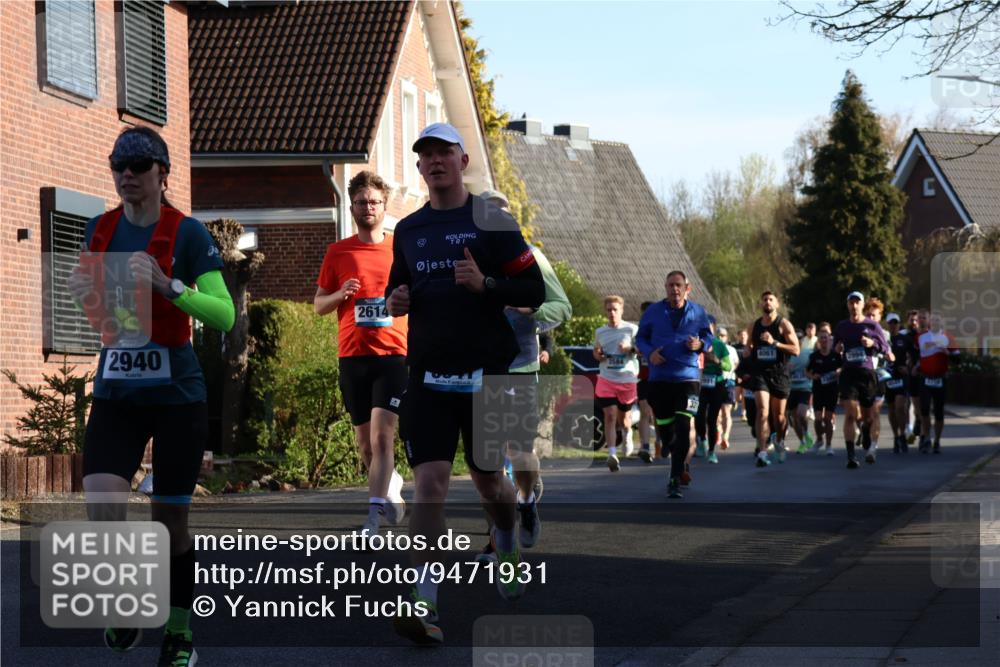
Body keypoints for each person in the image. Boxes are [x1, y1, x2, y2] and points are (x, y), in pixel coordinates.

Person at [68, 127, 235, 666]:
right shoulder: (100, 229)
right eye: (119, 165)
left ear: (163, 174)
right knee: (102, 509)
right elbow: (103, 320)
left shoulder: (186, 233)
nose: (127, 174)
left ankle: (179, 632)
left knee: (170, 525)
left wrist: (170, 287)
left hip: (176, 398)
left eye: (139, 165)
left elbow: (224, 314)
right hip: (117, 392)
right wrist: (84, 294)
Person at [385, 123, 545, 644]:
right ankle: (424, 601)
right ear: (419, 166)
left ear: (462, 160)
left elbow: (534, 289)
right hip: (428, 376)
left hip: (486, 375)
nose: (435, 161)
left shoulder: (492, 221)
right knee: (429, 487)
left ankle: (506, 539)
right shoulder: (409, 229)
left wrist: (487, 284)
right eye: (426, 154)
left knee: (489, 484)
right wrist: (395, 300)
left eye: (444, 153)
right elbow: (397, 286)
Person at [315, 170, 408, 537]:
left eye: (374, 201)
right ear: (352, 207)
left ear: (384, 206)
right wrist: (341, 295)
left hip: (394, 355)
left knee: (383, 438)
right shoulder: (338, 252)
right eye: (361, 202)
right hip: (353, 357)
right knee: (366, 447)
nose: (368, 207)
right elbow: (319, 305)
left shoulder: (400, 249)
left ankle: (372, 520)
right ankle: (390, 484)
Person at [479, 187, 571, 554]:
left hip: (520, 366)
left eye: (501, 215)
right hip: (480, 369)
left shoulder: (530, 256)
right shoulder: (466, 258)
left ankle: (527, 499)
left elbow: (562, 307)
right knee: (488, 462)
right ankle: (495, 540)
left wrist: (533, 310)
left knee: (520, 452)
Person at [635, 271, 712, 499]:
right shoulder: (653, 311)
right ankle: (673, 450)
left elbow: (708, 338)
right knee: (666, 430)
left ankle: (674, 479)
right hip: (660, 378)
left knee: (684, 426)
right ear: (666, 287)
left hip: (688, 378)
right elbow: (640, 338)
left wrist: (700, 344)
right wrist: (650, 353)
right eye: (670, 285)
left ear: (687, 288)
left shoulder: (698, 312)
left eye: (678, 285)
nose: (674, 289)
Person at [833, 291, 890, 468]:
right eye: (851, 302)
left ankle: (865, 430)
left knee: (869, 417)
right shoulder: (842, 326)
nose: (854, 305)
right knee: (850, 414)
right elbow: (836, 347)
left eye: (857, 302)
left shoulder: (872, 325)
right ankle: (851, 456)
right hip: (849, 373)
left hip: (867, 374)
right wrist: (838, 348)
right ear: (848, 305)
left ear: (862, 305)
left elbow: (885, 348)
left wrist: (873, 344)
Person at [745, 292, 800, 466]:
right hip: (760, 374)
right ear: (761, 304)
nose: (767, 302)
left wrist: (775, 343)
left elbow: (796, 350)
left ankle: (780, 440)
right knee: (762, 411)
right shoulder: (754, 326)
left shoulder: (783, 324)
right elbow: (748, 346)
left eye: (771, 300)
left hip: (779, 374)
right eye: (764, 300)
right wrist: (747, 351)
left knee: (779, 416)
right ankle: (762, 452)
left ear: (777, 304)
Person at [593, 296, 640, 471]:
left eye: (615, 309)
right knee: (610, 415)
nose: (612, 313)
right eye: (609, 310)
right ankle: (611, 454)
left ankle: (627, 433)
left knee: (625, 419)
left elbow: (642, 350)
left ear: (621, 310)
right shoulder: (600, 332)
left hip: (627, 380)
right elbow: (596, 350)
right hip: (606, 378)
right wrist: (598, 355)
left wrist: (629, 349)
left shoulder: (632, 329)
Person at [916, 310, 958, 454]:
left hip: (940, 379)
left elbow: (958, 359)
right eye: (933, 320)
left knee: (939, 412)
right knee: (924, 409)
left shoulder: (948, 337)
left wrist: (947, 353)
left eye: (937, 320)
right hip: (925, 377)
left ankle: (937, 441)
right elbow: (916, 354)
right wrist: (915, 366)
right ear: (929, 322)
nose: (934, 322)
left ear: (942, 322)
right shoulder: (921, 337)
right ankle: (927, 437)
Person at [694, 317, 732, 464]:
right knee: (698, 416)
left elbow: (729, 366)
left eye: (708, 326)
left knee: (712, 419)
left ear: (714, 328)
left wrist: (717, 361)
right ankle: (702, 440)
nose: (705, 329)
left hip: (717, 385)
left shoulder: (719, 345)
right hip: (700, 385)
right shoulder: (696, 344)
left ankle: (711, 451)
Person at [806, 323, 842, 455]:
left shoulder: (835, 355)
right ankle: (819, 440)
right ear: (819, 340)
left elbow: (843, 367)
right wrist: (812, 376)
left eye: (826, 337)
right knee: (817, 419)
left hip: (832, 390)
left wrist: (838, 371)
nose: (824, 340)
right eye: (821, 338)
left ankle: (829, 445)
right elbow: (807, 371)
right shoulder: (814, 356)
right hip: (818, 390)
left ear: (829, 339)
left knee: (828, 419)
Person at [884, 312, 913, 454]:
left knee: (900, 407)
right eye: (891, 323)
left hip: (901, 377)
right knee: (891, 410)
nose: (893, 325)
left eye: (895, 322)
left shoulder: (904, 339)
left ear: (899, 324)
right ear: (887, 324)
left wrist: (908, 367)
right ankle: (896, 436)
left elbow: (912, 356)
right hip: (888, 378)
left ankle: (902, 435)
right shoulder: (884, 339)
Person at [636, 301, 661, 462]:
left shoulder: (660, 331)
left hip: (659, 377)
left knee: (659, 414)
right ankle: (645, 446)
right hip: (643, 378)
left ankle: (659, 442)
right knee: (645, 411)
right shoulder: (638, 332)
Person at [788, 329, 815, 454]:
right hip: (791, 389)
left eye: (799, 338)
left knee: (801, 414)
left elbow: (817, 364)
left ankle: (806, 433)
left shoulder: (808, 353)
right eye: (795, 338)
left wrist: (810, 372)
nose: (797, 341)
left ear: (802, 340)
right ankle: (803, 442)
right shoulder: (787, 355)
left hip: (805, 388)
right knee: (794, 419)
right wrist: (787, 369)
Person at [717, 327, 739, 451]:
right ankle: (718, 432)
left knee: (726, 412)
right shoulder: (712, 348)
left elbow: (736, 363)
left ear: (726, 337)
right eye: (718, 335)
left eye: (723, 335)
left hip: (728, 381)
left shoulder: (731, 350)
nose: (720, 337)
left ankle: (725, 436)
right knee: (716, 413)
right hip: (715, 382)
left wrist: (730, 371)